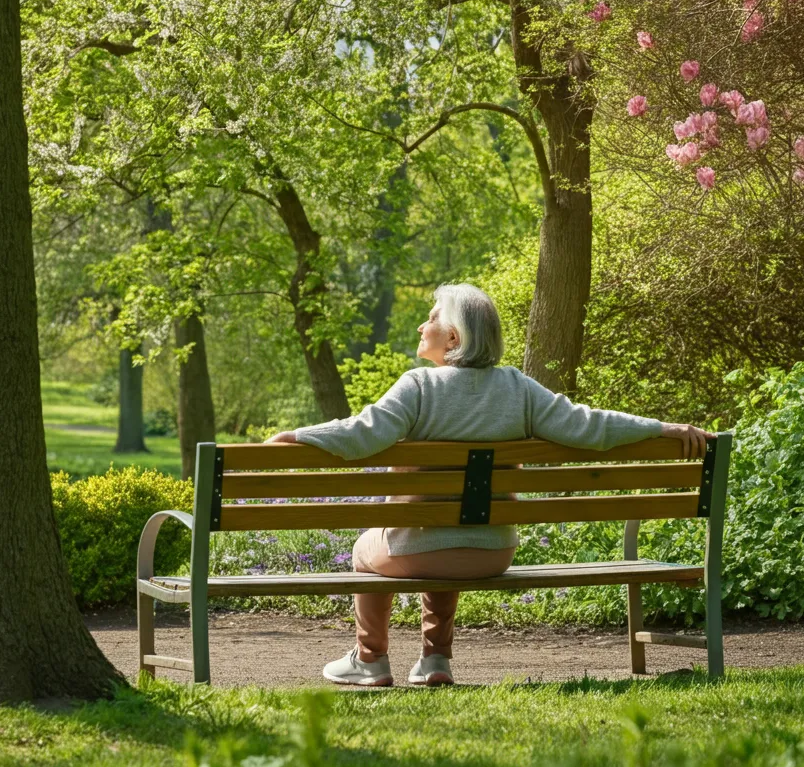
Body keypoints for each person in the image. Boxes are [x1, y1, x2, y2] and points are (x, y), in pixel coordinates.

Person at [267, 284, 712, 688]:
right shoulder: (516, 388)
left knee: (369, 547)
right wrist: (661, 427)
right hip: (492, 551)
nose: (423, 325)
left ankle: (370, 659)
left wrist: (298, 436)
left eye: (433, 317)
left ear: (454, 338)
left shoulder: (418, 386)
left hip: (418, 551)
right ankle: (435, 658)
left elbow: (361, 433)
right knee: (449, 527)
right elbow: (587, 425)